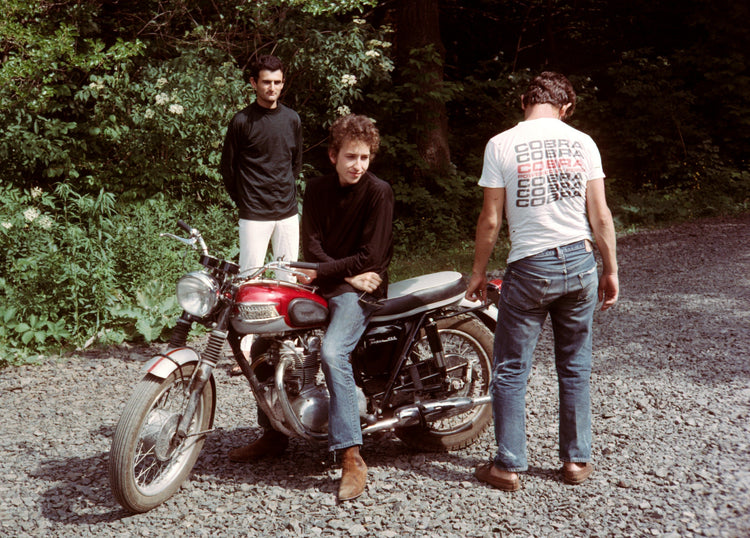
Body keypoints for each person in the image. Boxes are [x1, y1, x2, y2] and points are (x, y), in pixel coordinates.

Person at [465, 71, 619, 491]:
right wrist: (611, 269)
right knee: (575, 364)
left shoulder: (500, 144)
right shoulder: (583, 142)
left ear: (523, 102)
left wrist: (478, 271)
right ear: (565, 107)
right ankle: (575, 461)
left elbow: (491, 219)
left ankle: (509, 466)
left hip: (531, 266)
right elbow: (600, 216)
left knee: (512, 368)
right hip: (580, 259)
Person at [229, 114, 394, 503]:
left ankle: (352, 455)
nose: (358, 165)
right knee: (269, 341)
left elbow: (373, 256)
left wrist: (330, 274)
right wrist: (338, 273)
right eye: (351, 156)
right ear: (333, 155)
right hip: (333, 282)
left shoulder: (378, 192)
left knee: (334, 353)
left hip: (362, 290)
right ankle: (273, 433)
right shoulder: (317, 189)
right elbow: (313, 247)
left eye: (365, 158)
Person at [220, 54, 302, 278]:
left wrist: (283, 191)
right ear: (254, 83)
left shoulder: (292, 119)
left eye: (277, 82)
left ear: (283, 83)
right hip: (254, 214)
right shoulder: (242, 121)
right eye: (266, 82)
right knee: (249, 278)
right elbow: (228, 168)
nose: (272, 87)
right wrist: (245, 199)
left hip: (287, 213)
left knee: (288, 278)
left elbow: (295, 164)